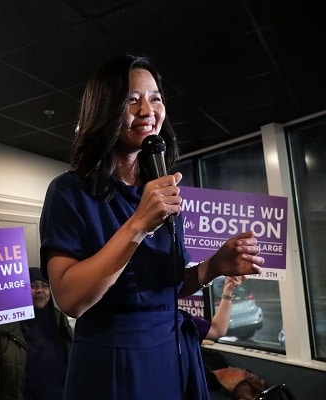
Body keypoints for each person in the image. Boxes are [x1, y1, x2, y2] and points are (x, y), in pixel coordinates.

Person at [39, 54, 264, 400]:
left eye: (155, 98)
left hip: (171, 351)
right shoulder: (69, 191)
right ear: (104, 110)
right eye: (132, 100)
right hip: (115, 360)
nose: (147, 110)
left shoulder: (161, 189)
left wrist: (215, 265)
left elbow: (163, 288)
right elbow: (70, 300)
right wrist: (138, 224)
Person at [0, 267, 73, 400]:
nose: (39, 290)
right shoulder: (2, 326)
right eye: (32, 286)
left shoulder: (60, 320)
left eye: (45, 286)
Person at [194, 276, 246, 341]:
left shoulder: (185, 321)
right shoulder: (183, 322)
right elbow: (216, 331)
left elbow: (217, 331)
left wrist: (228, 290)